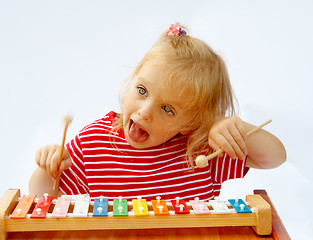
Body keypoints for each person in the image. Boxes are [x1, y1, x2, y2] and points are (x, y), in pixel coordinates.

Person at [29, 22, 286, 200]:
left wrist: (235, 128)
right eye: (142, 91)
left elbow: (275, 157)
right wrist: (48, 168)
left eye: (168, 109)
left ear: (190, 123)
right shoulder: (93, 143)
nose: (145, 112)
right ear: (134, 78)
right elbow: (44, 200)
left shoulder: (201, 151)